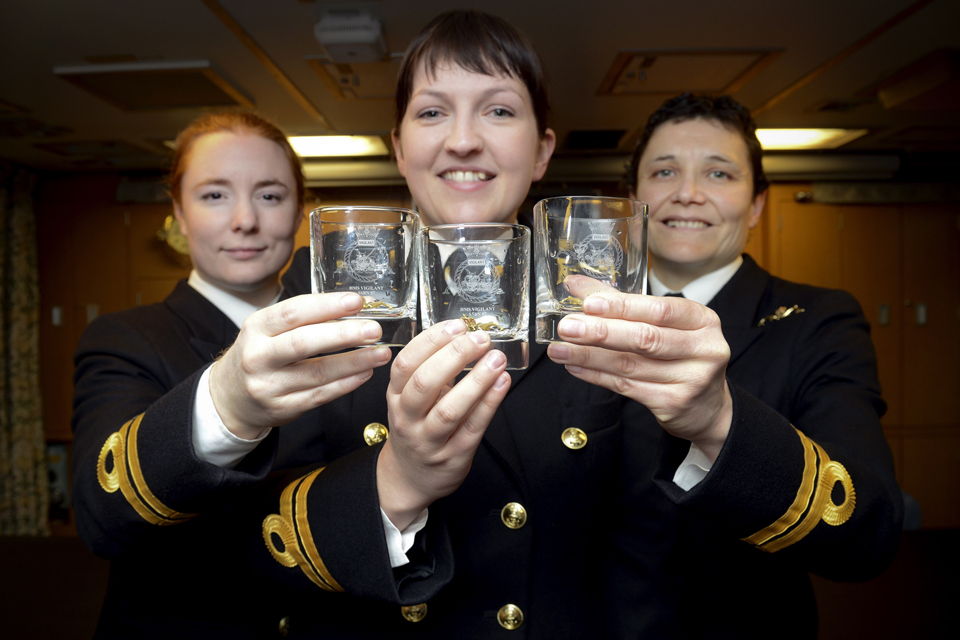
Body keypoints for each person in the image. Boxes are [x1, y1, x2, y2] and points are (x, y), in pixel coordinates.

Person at [215, 12, 900, 639]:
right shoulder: (326, 286)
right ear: (398, 147)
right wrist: (395, 482)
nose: (462, 140)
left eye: (499, 110)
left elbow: (646, 559)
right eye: (432, 112)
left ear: (543, 150)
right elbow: (245, 547)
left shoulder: (595, 299)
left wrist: (715, 420)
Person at [71, 112, 390, 638]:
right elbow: (98, 515)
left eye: (269, 196)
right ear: (178, 211)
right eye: (214, 196)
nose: (245, 220)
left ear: (299, 210)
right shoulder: (127, 338)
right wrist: (226, 401)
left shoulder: (362, 335)